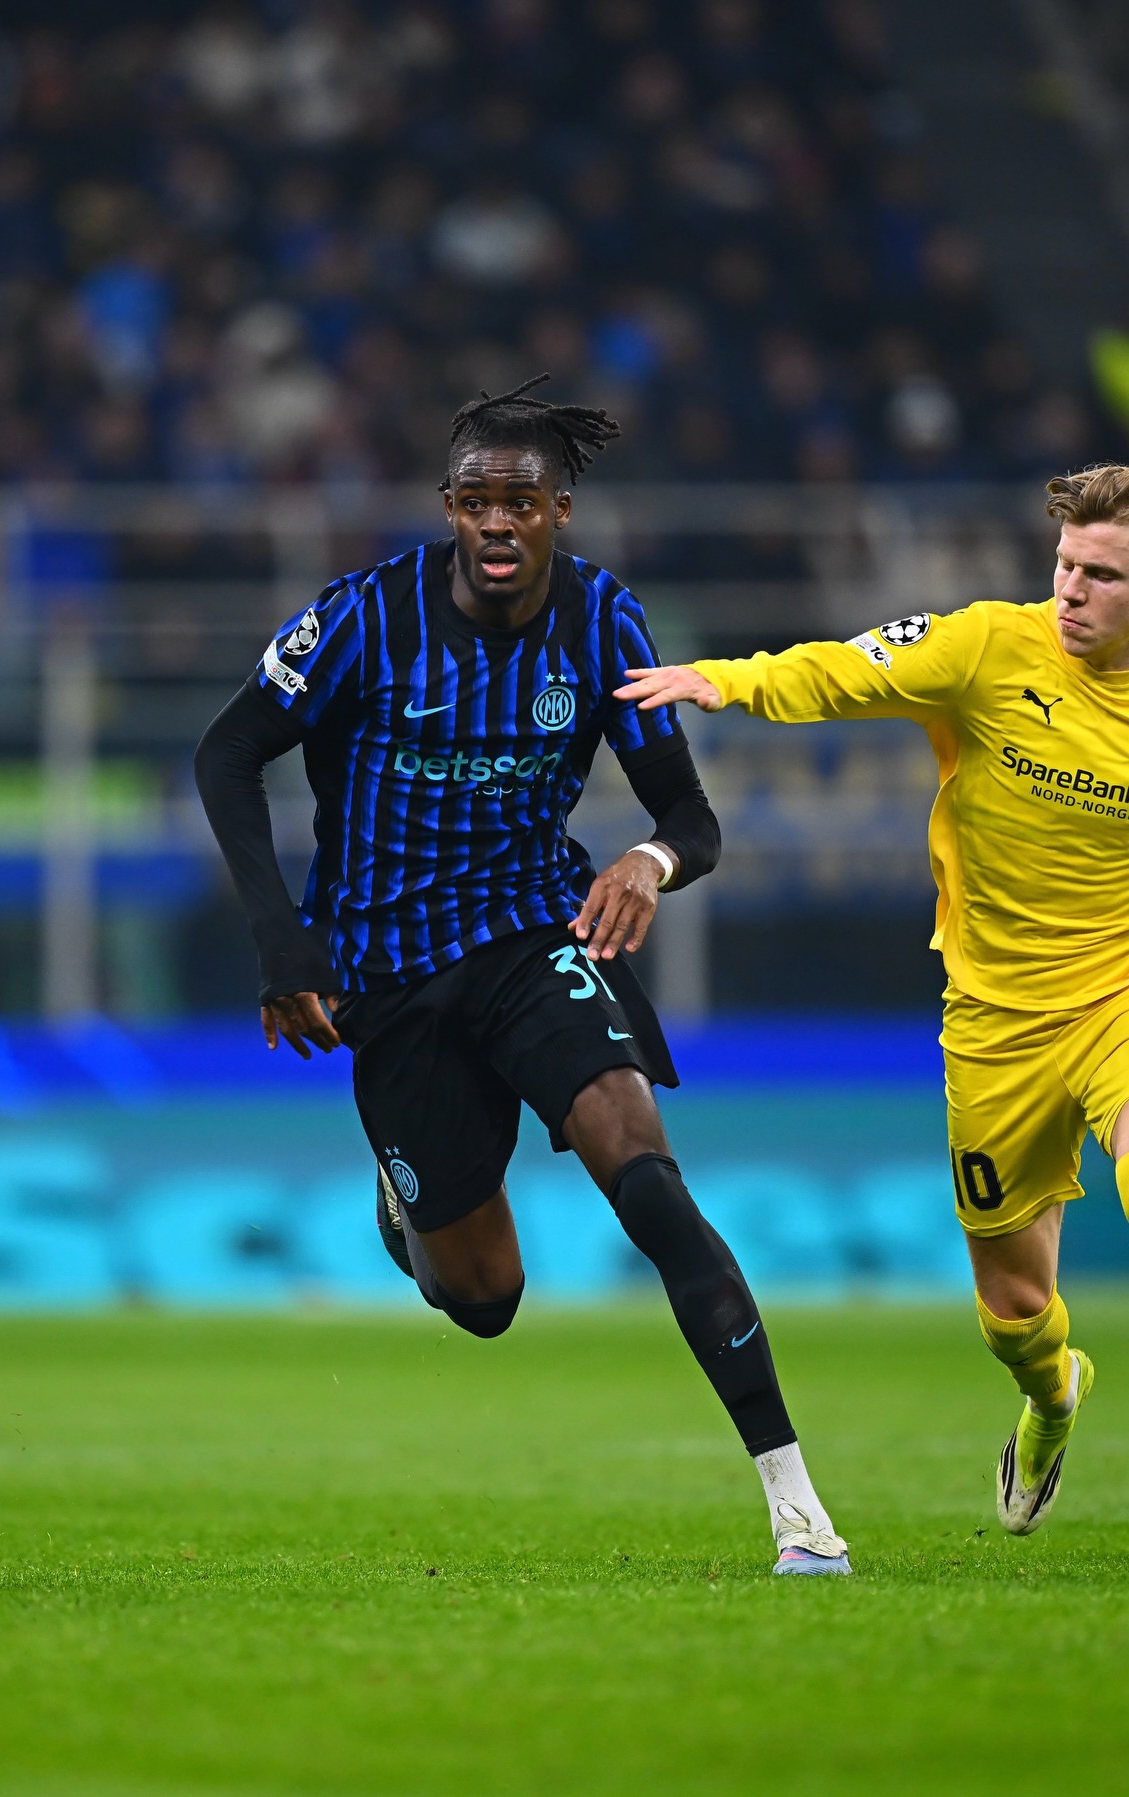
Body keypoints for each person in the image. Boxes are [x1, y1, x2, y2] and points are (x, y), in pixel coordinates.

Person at [196, 375, 850, 1574]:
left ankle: (799, 1512)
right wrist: (282, 941)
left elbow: (691, 818)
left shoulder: (603, 624)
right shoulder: (361, 618)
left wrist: (650, 860)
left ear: (561, 511)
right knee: (485, 1297)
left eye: (523, 501)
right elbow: (226, 752)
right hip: (389, 970)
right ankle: (410, 1210)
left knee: (649, 1185)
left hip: (536, 936)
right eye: (476, 500)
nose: (498, 521)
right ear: (449, 508)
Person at [617, 461, 1129, 1536]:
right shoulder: (990, 646)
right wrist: (727, 681)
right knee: (1014, 1313)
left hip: (1117, 996)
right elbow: (848, 669)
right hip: (995, 1018)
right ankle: (1052, 1399)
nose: (1071, 591)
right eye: (1066, 564)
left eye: (1103, 576)